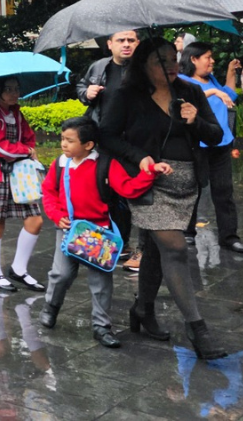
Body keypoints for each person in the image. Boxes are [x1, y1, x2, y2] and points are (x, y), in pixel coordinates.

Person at [100, 37, 226, 359]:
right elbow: (107, 136)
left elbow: (215, 135)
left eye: (173, 59)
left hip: (187, 186)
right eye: (161, 61)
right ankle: (197, 328)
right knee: (175, 249)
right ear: (144, 64)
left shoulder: (191, 92)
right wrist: (139, 156)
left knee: (157, 251)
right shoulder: (127, 95)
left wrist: (196, 120)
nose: (170, 66)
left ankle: (143, 309)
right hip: (148, 183)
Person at [39, 117, 160, 348]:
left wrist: (150, 172)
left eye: (70, 140)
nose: (63, 144)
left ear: (88, 144)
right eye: (63, 139)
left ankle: (101, 326)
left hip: (98, 233)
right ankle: (51, 307)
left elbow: (128, 188)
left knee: (101, 280)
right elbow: (49, 192)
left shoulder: (105, 164)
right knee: (61, 274)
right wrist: (56, 214)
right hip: (68, 228)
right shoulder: (60, 164)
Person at [76, 29, 141, 271]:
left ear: (138, 43)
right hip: (103, 140)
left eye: (131, 40)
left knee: (134, 193)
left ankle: (141, 246)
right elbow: (81, 87)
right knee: (106, 192)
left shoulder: (144, 69)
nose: (126, 44)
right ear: (110, 44)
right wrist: (87, 93)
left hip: (134, 142)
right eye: (121, 40)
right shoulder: (99, 67)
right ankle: (117, 243)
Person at [0, 76, 45, 293]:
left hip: (20, 174)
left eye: (17, 89)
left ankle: (19, 269)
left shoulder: (17, 114)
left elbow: (29, 138)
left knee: (35, 220)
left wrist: (25, 149)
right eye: (9, 89)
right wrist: (25, 151)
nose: (15, 93)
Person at [179, 42, 243, 254]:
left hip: (221, 143)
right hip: (198, 144)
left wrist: (230, 72)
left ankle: (229, 237)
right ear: (193, 59)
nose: (212, 61)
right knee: (193, 190)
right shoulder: (182, 80)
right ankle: (187, 233)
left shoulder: (211, 79)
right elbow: (186, 103)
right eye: (208, 57)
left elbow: (229, 94)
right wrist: (213, 92)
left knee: (224, 191)